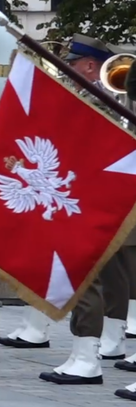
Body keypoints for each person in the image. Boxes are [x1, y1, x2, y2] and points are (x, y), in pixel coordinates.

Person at [39, 36, 134, 384]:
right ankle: (85, 350)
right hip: (82, 195)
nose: (70, 69)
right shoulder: (87, 99)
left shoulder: (107, 101)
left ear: (90, 66)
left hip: (97, 198)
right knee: (85, 275)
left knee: (89, 275)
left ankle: (88, 355)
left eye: (74, 64)